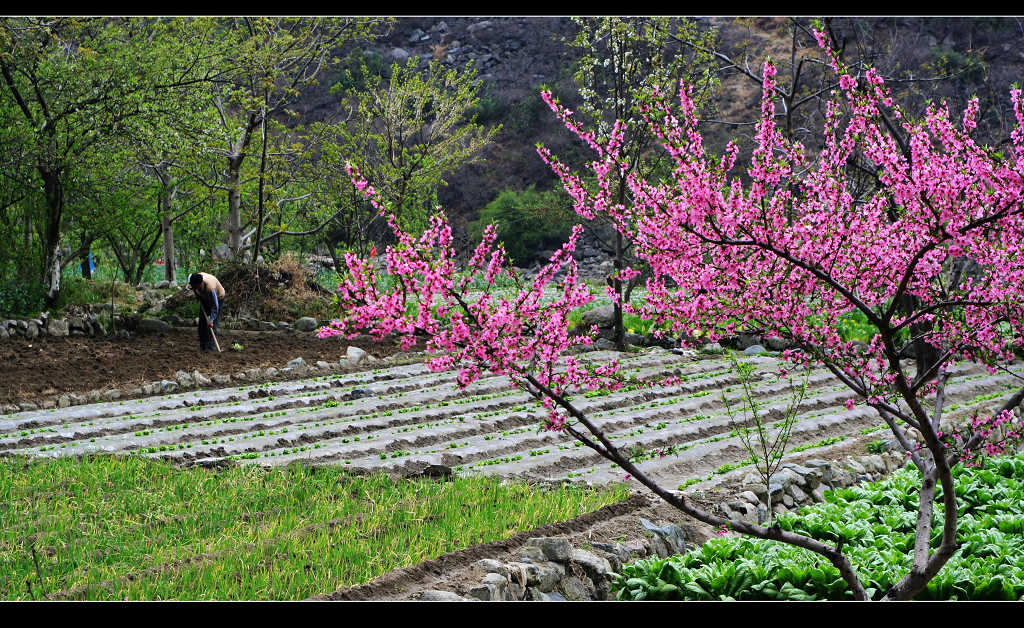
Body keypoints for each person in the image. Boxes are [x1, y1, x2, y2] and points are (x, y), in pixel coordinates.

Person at [188, 272, 226, 351]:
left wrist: (211, 320)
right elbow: (194, 289)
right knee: (202, 323)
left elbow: (215, 307)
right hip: (204, 298)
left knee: (212, 325)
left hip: (218, 298)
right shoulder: (194, 281)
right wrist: (198, 296)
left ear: (199, 284)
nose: (193, 287)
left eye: (195, 286)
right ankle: (203, 345)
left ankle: (211, 348)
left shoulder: (211, 289)